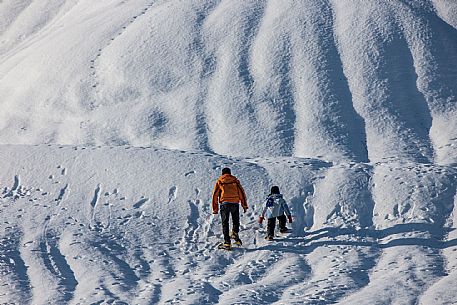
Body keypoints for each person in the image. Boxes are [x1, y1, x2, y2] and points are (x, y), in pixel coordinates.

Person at [212, 167, 248, 250]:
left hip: (225, 204)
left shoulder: (220, 181)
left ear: (222, 173)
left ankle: (227, 243)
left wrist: (215, 208)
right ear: (230, 173)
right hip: (235, 203)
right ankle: (235, 232)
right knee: (235, 220)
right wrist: (244, 205)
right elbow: (241, 192)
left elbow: (215, 195)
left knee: (225, 222)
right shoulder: (235, 180)